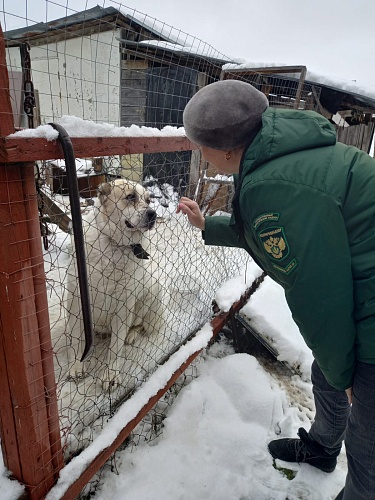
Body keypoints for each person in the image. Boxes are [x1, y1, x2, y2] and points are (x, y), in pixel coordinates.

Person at [177, 79, 375, 500]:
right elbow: (276, 230)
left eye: (201, 146)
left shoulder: (276, 183)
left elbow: (321, 297)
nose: (200, 154)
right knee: (329, 368)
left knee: (368, 452)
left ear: (228, 149)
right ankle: (322, 448)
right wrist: (207, 225)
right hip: (363, 290)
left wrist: (352, 377)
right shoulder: (281, 156)